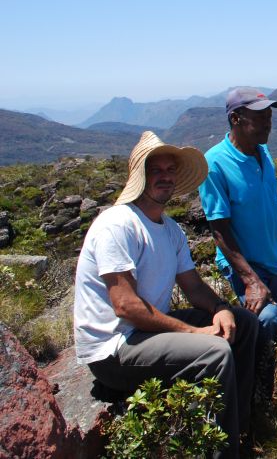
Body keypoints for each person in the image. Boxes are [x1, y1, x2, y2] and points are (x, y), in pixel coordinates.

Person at [73, 131, 258, 458]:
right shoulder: (117, 225)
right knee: (214, 352)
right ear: (139, 177)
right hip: (114, 349)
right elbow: (126, 306)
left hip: (145, 333)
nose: (165, 177)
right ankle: (222, 452)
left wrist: (219, 308)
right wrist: (193, 333)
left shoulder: (170, 230)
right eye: (156, 170)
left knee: (242, 323)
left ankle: (237, 428)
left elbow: (193, 286)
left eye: (170, 170)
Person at [199, 87, 277, 397]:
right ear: (235, 118)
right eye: (260, 116)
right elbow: (219, 228)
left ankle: (265, 388)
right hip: (247, 267)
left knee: (269, 334)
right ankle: (247, 401)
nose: (268, 123)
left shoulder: (263, 151)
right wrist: (250, 280)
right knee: (264, 321)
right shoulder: (214, 164)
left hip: (276, 260)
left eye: (270, 115)